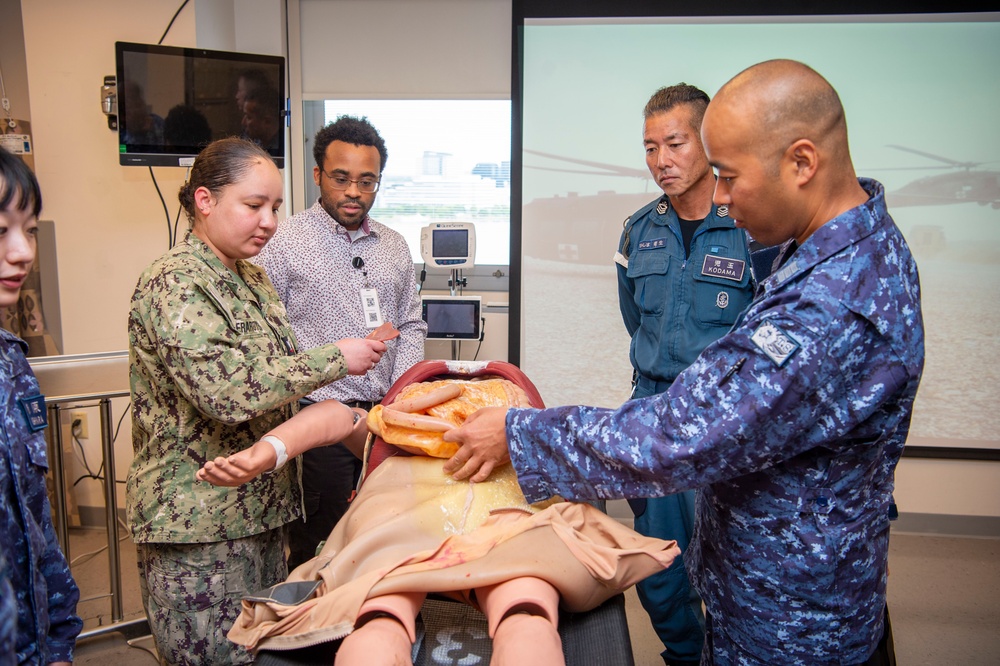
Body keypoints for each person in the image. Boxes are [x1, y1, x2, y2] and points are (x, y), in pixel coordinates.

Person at [443, 59, 924, 665]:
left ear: (802, 163)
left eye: (729, 174)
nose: (721, 195)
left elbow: (681, 434)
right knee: (666, 578)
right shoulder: (845, 248)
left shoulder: (832, 304)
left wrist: (520, 435)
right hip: (777, 586)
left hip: (793, 629)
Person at [198, 370, 679, 666]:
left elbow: (334, 417)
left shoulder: (513, 436)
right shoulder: (403, 426)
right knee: (524, 614)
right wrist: (267, 453)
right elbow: (334, 416)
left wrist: (269, 451)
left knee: (383, 618)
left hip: (406, 537)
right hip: (501, 530)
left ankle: (395, 619)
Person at [127, 137, 387, 665]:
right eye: (253, 206)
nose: (268, 221)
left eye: (274, 207)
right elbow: (226, 391)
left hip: (261, 516)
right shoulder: (176, 282)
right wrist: (337, 358)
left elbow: (276, 375)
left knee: (263, 656)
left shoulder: (250, 277)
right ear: (205, 201)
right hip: (200, 528)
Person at [615, 83, 760, 666]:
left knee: (730, 561)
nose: (661, 162)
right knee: (657, 564)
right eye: (650, 148)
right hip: (653, 411)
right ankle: (685, 655)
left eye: (674, 144)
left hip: (725, 421)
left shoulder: (752, 229)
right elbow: (634, 320)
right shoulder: (636, 230)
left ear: (706, 140)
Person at [253, 115, 426, 568]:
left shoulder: (393, 245)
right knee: (321, 544)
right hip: (319, 420)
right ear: (318, 176)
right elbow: (264, 334)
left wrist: (402, 396)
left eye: (366, 181)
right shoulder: (283, 241)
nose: (354, 192)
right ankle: (315, 635)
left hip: (385, 417)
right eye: (342, 179)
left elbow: (409, 323)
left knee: (386, 534)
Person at [0, 146, 82, 664]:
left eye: (28, 230)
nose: (24, 252)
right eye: (1, 229)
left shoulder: (11, 362)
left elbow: (34, 520)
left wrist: (56, 639)